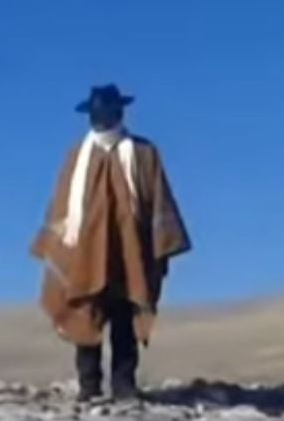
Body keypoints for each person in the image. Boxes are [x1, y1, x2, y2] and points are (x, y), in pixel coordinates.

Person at [29, 85, 191, 402]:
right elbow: (62, 205)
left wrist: (158, 245)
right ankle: (89, 386)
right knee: (84, 313)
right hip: (84, 252)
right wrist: (58, 245)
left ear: (119, 113)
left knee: (125, 316)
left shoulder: (144, 153)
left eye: (107, 113)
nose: (102, 120)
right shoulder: (77, 156)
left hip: (130, 251)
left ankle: (124, 386)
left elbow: (157, 198)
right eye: (97, 115)